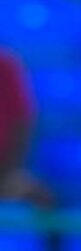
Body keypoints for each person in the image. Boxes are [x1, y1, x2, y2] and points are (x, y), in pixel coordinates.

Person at [0, 47, 52, 207]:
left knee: (41, 198)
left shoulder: (6, 66)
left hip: (3, 174)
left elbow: (22, 125)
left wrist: (7, 174)